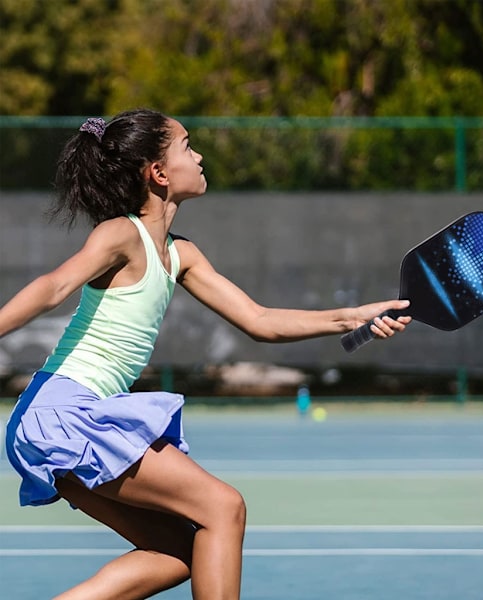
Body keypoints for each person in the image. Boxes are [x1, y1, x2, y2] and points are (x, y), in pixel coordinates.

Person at [0, 109, 412, 600]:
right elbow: (53, 286)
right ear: (158, 173)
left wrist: (352, 317)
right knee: (223, 508)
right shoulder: (122, 234)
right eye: (187, 145)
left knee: (176, 552)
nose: (198, 156)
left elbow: (259, 321)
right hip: (63, 412)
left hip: (56, 419)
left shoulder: (180, 254)